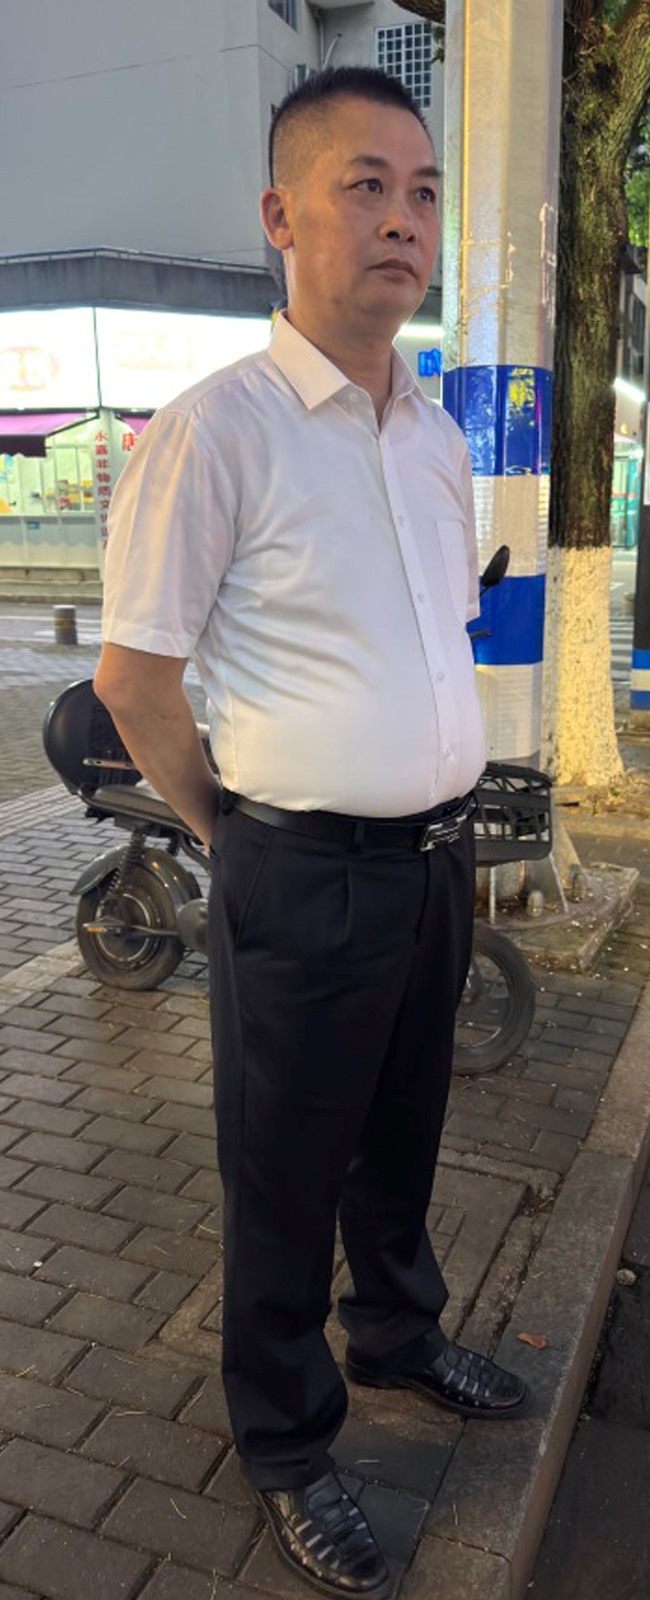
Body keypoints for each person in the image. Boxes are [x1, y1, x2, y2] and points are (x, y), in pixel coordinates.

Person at [95, 65, 527, 1600]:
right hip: (298, 867)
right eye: (366, 186)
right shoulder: (214, 433)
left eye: (423, 192)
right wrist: (233, 831)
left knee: (401, 1133)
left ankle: (396, 1334)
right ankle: (284, 1439)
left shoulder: (431, 436)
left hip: (432, 863)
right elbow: (134, 679)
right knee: (284, 1170)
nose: (403, 218)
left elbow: (431, 633)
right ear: (281, 216)